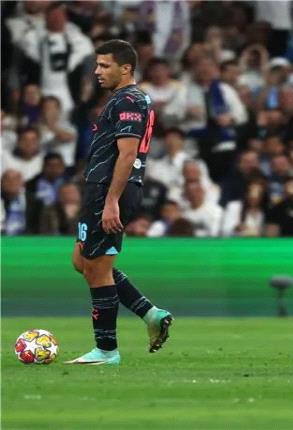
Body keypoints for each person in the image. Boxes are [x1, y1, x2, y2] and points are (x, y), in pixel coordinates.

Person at [67, 40, 173, 366]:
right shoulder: (127, 99)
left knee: (97, 269)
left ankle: (106, 349)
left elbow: (127, 154)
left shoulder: (129, 100)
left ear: (125, 68)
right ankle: (150, 313)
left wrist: (112, 200)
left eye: (104, 65)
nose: (97, 71)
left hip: (109, 190)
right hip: (101, 189)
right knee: (82, 261)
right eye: (97, 65)